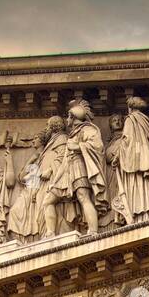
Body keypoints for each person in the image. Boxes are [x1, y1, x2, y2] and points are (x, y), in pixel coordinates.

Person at [41, 99, 104, 236]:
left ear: (73, 117)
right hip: (66, 173)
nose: (66, 121)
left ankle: (93, 231)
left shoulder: (87, 129)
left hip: (79, 168)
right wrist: (55, 180)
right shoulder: (72, 134)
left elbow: (97, 146)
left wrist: (77, 146)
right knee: (48, 201)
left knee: (83, 197)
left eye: (68, 116)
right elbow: (63, 162)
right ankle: (50, 233)